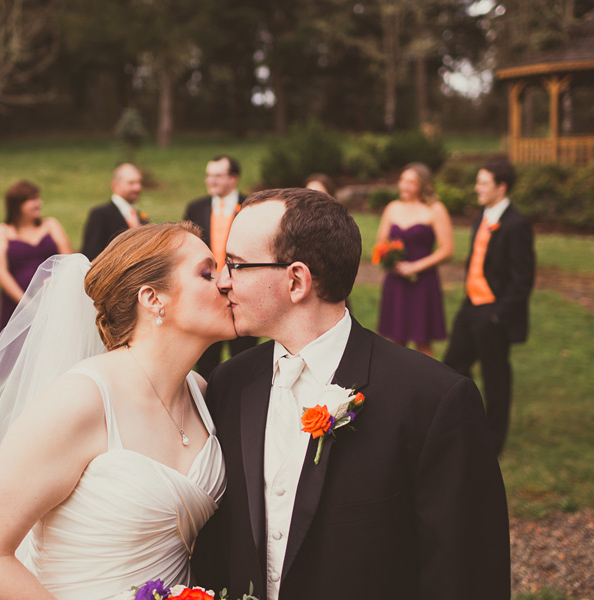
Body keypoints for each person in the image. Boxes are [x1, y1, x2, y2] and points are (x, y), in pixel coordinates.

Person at [192, 188, 511, 600]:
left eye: (235, 265)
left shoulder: (434, 401)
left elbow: (466, 574)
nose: (222, 281)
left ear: (296, 280)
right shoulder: (229, 383)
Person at [0, 223, 233, 600]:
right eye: (207, 273)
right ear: (153, 298)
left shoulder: (201, 393)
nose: (225, 282)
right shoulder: (80, 401)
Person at [444, 157, 535, 456]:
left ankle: (493, 441)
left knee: (496, 378)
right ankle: (464, 422)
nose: (476, 188)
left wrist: (498, 315)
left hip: (493, 313)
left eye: (483, 183)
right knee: (452, 367)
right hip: (470, 306)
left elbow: (523, 279)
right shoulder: (482, 216)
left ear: (501, 187)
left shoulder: (516, 225)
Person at [183, 155, 257, 376]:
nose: (210, 181)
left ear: (233, 178)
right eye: (208, 175)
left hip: (242, 287)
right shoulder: (196, 207)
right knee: (206, 353)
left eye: (217, 175)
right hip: (207, 290)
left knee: (244, 352)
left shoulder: (251, 207)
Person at [374, 162, 453, 357]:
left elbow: (447, 250)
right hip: (396, 280)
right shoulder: (392, 208)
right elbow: (380, 244)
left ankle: (427, 386)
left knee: (423, 342)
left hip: (423, 282)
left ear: (423, 185)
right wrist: (390, 261)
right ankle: (397, 385)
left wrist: (416, 267)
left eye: (411, 182)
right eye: (402, 180)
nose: (404, 186)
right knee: (395, 342)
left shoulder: (435, 209)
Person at [0, 180, 72, 332]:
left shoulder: (51, 225)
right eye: (32, 199)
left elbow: (68, 260)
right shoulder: (1, 232)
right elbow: (0, 272)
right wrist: (27, 304)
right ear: (16, 205)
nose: (38, 203)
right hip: (16, 304)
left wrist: (58, 287)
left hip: (53, 300)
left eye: (38, 198)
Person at [81, 163, 146, 260]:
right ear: (115, 185)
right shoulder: (100, 215)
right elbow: (91, 254)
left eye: (139, 182)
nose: (138, 188)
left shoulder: (141, 217)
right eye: (131, 183)